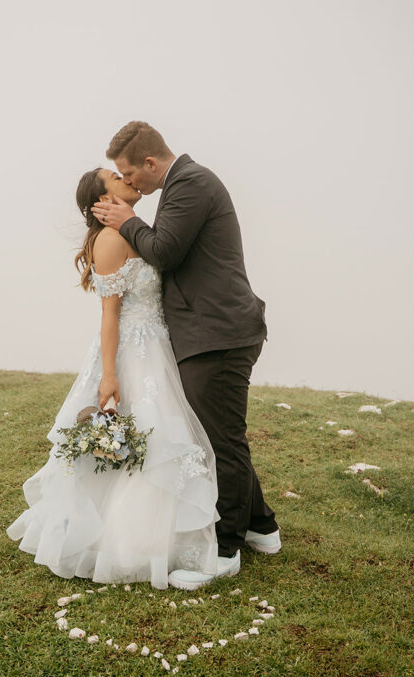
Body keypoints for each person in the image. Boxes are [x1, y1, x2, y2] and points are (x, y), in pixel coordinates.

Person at [6, 168, 220, 590]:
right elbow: (110, 314)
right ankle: (122, 546)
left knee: (157, 441)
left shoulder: (135, 231)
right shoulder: (109, 240)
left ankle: (159, 541)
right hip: (129, 354)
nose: (128, 178)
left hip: (157, 349)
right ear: (102, 200)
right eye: (116, 177)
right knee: (142, 442)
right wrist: (108, 377)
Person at [91, 122, 279, 590]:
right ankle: (262, 526)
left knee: (221, 441)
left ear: (151, 164)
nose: (130, 182)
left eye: (130, 172)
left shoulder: (191, 184)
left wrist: (124, 221)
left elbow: (166, 250)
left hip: (219, 334)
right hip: (205, 334)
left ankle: (226, 550)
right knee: (217, 432)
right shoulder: (180, 186)